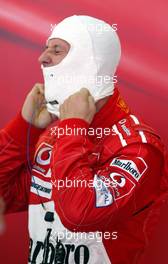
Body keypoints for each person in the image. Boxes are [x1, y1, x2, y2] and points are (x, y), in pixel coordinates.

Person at [0, 15, 167, 264]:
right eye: (46, 49)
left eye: (57, 50)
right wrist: (25, 127)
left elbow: (79, 215)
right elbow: (5, 197)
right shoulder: (55, 137)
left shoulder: (139, 147)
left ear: (91, 63)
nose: (42, 58)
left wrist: (72, 128)